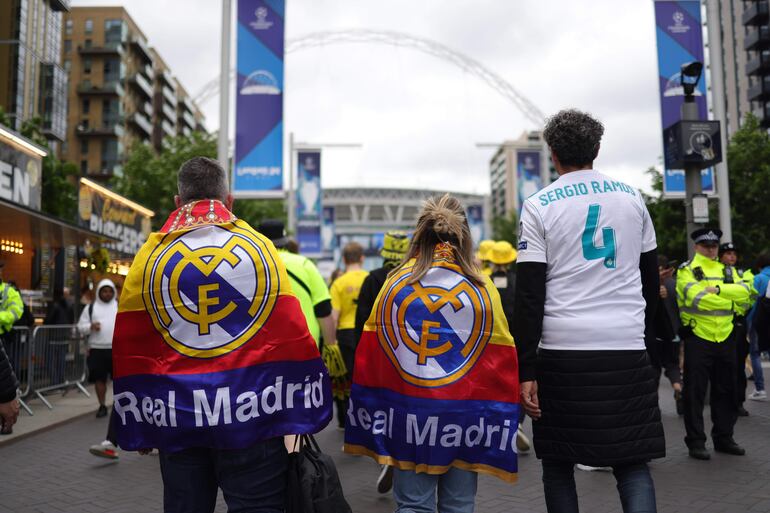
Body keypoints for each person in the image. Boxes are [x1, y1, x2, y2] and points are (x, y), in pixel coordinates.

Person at [110, 157, 331, 513]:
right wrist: (296, 406)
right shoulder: (262, 252)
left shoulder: (150, 257)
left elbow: (133, 347)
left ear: (177, 202)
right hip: (253, 416)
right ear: (229, 200)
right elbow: (290, 336)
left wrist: (140, 418)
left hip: (179, 418)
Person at [514, 109, 664, 513]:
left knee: (558, 463)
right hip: (626, 344)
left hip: (563, 350)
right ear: (596, 149)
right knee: (632, 464)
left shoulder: (538, 205)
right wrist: (654, 349)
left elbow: (529, 294)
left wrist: (525, 368)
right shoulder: (633, 198)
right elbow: (651, 283)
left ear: (552, 153)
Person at [344, 194, 521, 511]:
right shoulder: (482, 287)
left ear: (419, 234)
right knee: (459, 505)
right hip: (463, 419)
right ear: (465, 236)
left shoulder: (395, 284)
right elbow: (499, 356)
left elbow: (374, 353)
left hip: (410, 416)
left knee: (413, 504)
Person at [677, 228, 751, 460]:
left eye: (714, 246)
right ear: (697, 246)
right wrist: (730, 301)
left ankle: (724, 437)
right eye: (705, 245)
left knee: (726, 390)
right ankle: (696, 442)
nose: (710, 249)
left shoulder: (727, 270)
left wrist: (718, 290)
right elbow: (697, 299)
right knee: (695, 393)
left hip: (726, 337)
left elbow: (747, 293)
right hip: (699, 337)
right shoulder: (687, 270)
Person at [353, 230, 409, 494]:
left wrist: (359, 359)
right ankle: (402, 449)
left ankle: (386, 451)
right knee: (404, 406)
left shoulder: (373, 279)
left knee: (381, 407)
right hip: (408, 355)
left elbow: (361, 323)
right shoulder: (412, 278)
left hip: (379, 355)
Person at [488, 240, 532, 454]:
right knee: (518, 382)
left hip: (491, 342)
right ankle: (517, 421)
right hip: (514, 340)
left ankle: (496, 422)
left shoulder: (485, 281)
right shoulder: (518, 281)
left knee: (494, 383)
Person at [330, 241, 368, 428]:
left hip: (345, 334)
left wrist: (332, 341)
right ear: (362, 258)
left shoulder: (338, 283)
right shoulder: (369, 278)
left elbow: (334, 316)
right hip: (366, 333)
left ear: (344, 259)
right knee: (365, 376)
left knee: (346, 378)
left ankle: (346, 419)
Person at [720, 242, 755, 416]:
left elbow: (750, 293)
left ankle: (739, 402)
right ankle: (724, 401)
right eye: (727, 253)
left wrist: (724, 292)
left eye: (734, 253)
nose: (731, 256)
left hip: (739, 323)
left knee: (739, 365)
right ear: (721, 256)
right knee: (723, 366)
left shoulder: (744, 273)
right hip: (720, 322)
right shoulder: (715, 273)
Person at [77, 279, 118, 418]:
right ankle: (102, 405)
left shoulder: (120, 306)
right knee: (99, 380)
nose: (107, 294)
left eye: (110, 291)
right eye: (104, 291)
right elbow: (80, 327)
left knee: (119, 380)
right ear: (99, 292)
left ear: (114, 292)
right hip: (96, 349)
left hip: (116, 349)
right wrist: (90, 327)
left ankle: (119, 405)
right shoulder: (90, 308)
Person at [649, 256, 684, 414]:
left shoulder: (647, 285)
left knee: (653, 368)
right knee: (673, 365)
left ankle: (653, 404)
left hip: (654, 335)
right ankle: (678, 387)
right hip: (673, 334)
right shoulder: (675, 284)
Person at [0, 261, 22, 435]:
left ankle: (6, 423)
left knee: (9, 375)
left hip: (4, 338)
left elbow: (16, 311)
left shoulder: (8, 291)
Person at [747, 251, 770, 401]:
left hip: (757, 320)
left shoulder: (759, 278)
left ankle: (760, 389)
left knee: (754, 353)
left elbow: (749, 300)